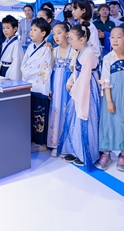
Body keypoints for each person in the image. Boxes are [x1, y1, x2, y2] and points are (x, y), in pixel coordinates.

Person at [58, 22, 100, 169]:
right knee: (75, 122)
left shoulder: (88, 53)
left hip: (87, 90)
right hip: (79, 87)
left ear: (82, 40)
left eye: (71, 39)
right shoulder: (80, 51)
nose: (69, 41)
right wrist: (71, 81)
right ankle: (75, 150)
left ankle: (85, 154)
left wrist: (74, 89)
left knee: (85, 121)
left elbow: (85, 77)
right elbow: (76, 71)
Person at [95, 26, 124, 172]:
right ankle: (106, 153)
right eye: (112, 37)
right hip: (112, 96)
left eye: (119, 37)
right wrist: (109, 101)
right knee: (109, 122)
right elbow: (105, 80)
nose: (114, 40)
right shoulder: (108, 58)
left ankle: (123, 153)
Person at [21, 18, 53, 153]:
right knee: (30, 114)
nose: (31, 32)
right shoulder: (30, 47)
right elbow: (24, 64)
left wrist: (26, 71)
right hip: (29, 85)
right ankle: (32, 140)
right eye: (31, 29)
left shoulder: (46, 49)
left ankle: (40, 143)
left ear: (43, 33)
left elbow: (43, 68)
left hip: (39, 86)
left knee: (39, 115)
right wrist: (25, 71)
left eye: (35, 30)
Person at [48, 22, 72, 155]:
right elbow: (49, 69)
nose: (56, 36)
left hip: (67, 87)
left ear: (67, 34)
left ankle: (66, 144)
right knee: (55, 111)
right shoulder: (54, 51)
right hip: (55, 85)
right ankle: (55, 143)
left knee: (66, 112)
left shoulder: (73, 51)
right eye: (54, 34)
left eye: (59, 33)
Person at [0, 15, 23, 80]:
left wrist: (14, 78)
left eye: (8, 28)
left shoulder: (16, 43)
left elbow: (17, 62)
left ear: (15, 29)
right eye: (3, 28)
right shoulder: (6, 41)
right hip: (3, 67)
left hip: (11, 69)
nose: (5, 30)